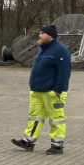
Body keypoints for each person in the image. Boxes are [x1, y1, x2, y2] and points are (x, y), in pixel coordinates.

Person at [11, 24, 71, 155]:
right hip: (37, 91)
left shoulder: (60, 50)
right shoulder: (42, 49)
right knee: (35, 117)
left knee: (56, 118)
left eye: (42, 33)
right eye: (40, 33)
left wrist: (58, 90)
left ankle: (57, 145)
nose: (40, 35)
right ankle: (28, 141)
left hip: (52, 92)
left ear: (51, 35)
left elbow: (64, 72)